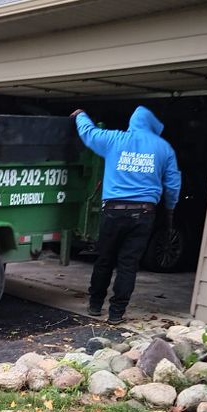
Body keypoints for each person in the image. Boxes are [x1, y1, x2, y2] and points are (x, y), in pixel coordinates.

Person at [71, 106, 181, 324]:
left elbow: (89, 134)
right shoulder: (163, 148)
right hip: (144, 214)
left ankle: (95, 305)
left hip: (113, 211)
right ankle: (116, 313)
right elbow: (173, 183)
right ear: (152, 125)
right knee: (128, 264)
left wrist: (81, 116)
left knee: (104, 259)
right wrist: (170, 208)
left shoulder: (114, 139)